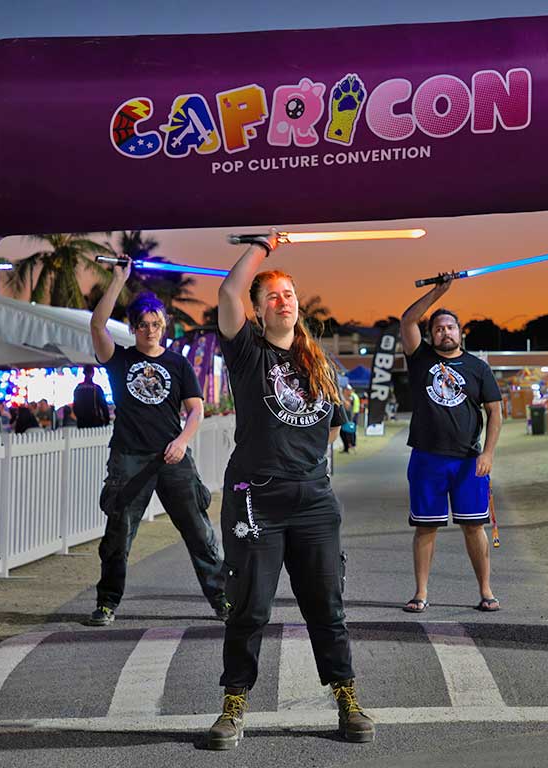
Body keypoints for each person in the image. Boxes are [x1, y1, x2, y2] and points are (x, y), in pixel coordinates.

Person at [205, 232, 375, 750]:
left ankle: (346, 697)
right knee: (251, 607)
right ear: (257, 310)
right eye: (273, 295)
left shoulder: (317, 362)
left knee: (327, 605)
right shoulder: (248, 352)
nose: (285, 301)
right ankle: (234, 704)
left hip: (313, 499)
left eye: (289, 293)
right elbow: (227, 293)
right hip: (256, 498)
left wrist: (307, 469)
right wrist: (263, 246)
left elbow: (329, 428)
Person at [87, 264, 226, 626]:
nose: (150, 330)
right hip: (129, 458)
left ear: (164, 326)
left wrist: (182, 442)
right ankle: (107, 603)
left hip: (172, 457)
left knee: (199, 531)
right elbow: (97, 325)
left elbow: (195, 411)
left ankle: (223, 599)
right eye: (143, 324)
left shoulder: (178, 364)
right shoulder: (119, 359)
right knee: (118, 535)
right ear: (133, 327)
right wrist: (119, 279)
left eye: (156, 324)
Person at [399, 275, 503, 614]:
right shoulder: (421, 358)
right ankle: (421, 593)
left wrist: (487, 453)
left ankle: (486, 591)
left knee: (474, 526)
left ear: (461, 332)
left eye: (451, 327)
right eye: (439, 328)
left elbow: (495, 413)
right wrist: (440, 291)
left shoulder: (477, 368)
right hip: (428, 459)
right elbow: (407, 319)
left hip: (467, 461)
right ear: (431, 335)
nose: (445, 332)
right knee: (426, 528)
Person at [340, 385, 359, 452]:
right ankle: (347, 448)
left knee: (349, 432)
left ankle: (351, 446)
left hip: (350, 418)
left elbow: (347, 406)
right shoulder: (346, 397)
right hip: (346, 417)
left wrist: (343, 400)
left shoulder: (351, 397)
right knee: (343, 433)